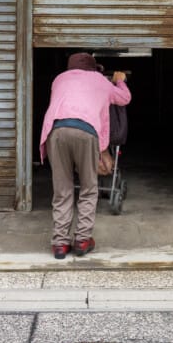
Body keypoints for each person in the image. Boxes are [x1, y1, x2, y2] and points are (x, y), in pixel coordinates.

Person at [38, 51, 132, 259]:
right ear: (93, 68)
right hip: (85, 131)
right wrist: (119, 81)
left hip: (57, 131)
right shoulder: (99, 80)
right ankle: (82, 240)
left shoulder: (59, 79)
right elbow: (124, 99)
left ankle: (60, 244)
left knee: (62, 189)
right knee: (89, 188)